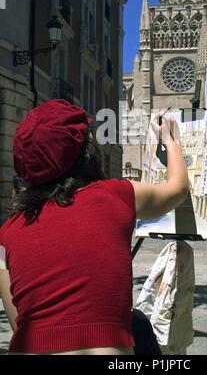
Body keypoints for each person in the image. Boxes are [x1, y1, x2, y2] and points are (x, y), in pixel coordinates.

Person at [0, 99, 189, 355]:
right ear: (86, 153)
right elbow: (177, 190)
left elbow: (20, 323)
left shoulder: (7, 233)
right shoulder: (114, 195)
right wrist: (171, 140)